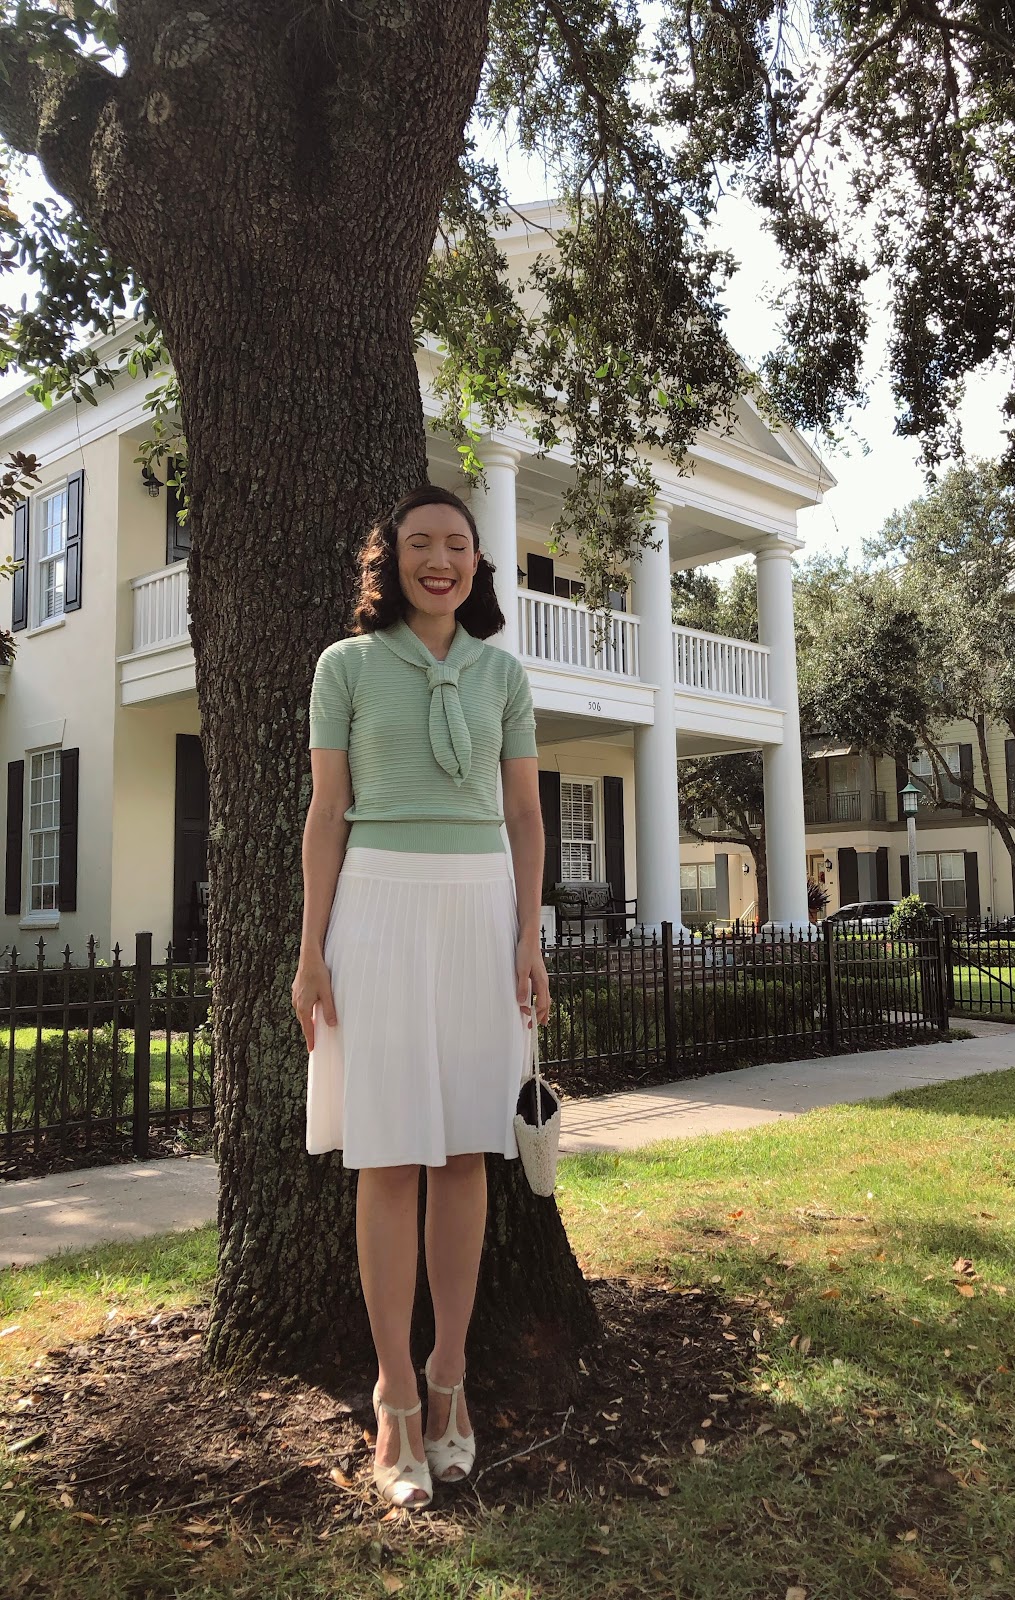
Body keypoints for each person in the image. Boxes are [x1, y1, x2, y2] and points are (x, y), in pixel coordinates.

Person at [291, 484, 550, 1511]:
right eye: (419, 544)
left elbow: (524, 816)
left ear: (477, 562)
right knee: (390, 1154)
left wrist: (528, 936)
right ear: (389, 558)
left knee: (463, 1154)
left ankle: (450, 1376)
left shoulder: (503, 673)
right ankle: (393, 1391)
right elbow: (326, 814)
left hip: (479, 909)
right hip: (378, 909)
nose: (438, 561)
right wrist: (310, 951)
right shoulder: (345, 666)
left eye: (456, 545)